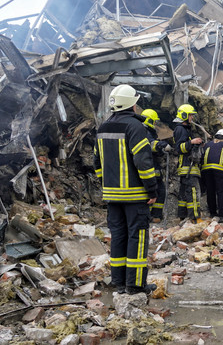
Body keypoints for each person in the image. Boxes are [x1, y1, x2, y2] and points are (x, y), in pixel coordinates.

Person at [93, 84, 158, 295]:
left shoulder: (102, 128)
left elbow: (97, 163)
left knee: (118, 236)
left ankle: (118, 282)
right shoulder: (135, 127)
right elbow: (143, 162)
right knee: (137, 238)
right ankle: (135, 284)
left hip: (112, 196)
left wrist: (107, 185)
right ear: (133, 104)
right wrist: (152, 190)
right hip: (135, 195)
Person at [140, 109, 172, 223]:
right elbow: (151, 145)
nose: (155, 124)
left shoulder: (149, 131)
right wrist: (161, 145)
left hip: (153, 168)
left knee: (160, 192)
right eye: (154, 122)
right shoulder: (143, 131)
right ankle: (147, 216)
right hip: (148, 168)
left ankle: (156, 215)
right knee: (150, 193)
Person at [173, 104, 203, 222]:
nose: (192, 118)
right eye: (190, 115)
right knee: (193, 192)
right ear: (184, 115)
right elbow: (180, 148)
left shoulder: (185, 129)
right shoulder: (180, 129)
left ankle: (182, 216)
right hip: (188, 167)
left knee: (184, 194)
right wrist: (192, 142)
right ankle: (195, 218)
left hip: (187, 167)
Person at [201, 129, 223, 222]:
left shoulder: (207, 145)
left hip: (206, 170)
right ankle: (222, 215)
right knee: (221, 192)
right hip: (219, 171)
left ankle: (212, 213)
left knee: (210, 192)